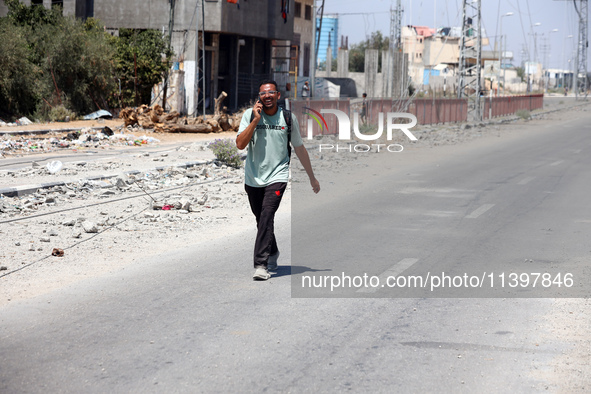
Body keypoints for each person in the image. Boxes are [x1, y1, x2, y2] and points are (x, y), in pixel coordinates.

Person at [236, 80, 320, 281]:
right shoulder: (249, 115)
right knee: (260, 219)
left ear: (278, 96)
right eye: (263, 93)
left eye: (271, 92)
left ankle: (260, 265)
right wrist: (255, 121)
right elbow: (240, 144)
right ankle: (272, 251)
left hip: (278, 175)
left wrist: (311, 177)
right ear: (259, 96)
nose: (267, 96)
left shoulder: (288, 118)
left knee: (267, 215)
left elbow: (299, 148)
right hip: (253, 176)